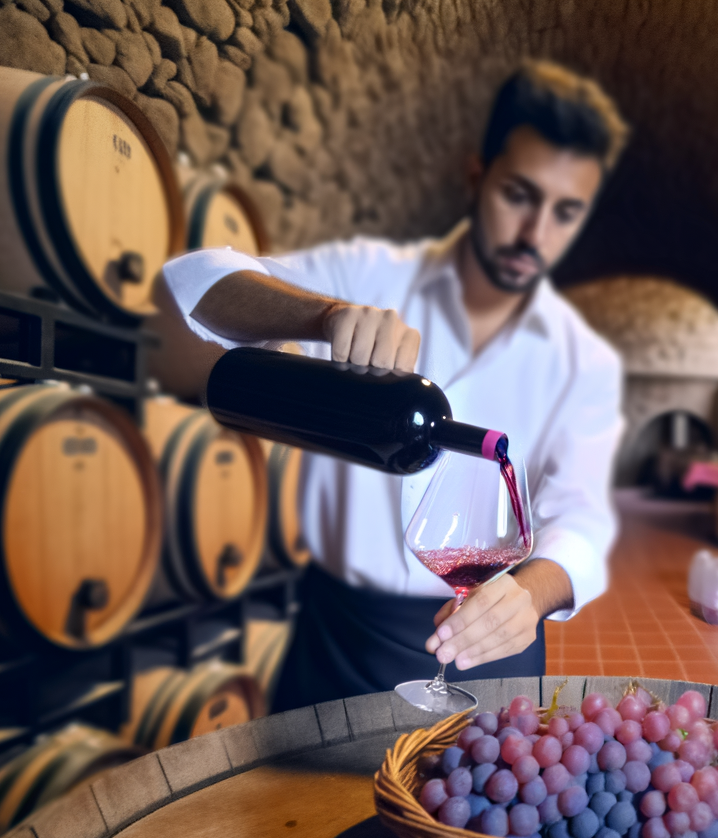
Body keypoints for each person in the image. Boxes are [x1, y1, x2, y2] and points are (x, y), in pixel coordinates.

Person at [155, 60, 628, 707]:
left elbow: (583, 523)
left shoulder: (585, 361)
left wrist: (530, 594)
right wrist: (320, 315)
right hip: (343, 646)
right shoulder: (370, 277)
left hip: (495, 650)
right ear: (476, 176)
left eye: (566, 212)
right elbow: (191, 282)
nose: (535, 233)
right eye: (519, 195)